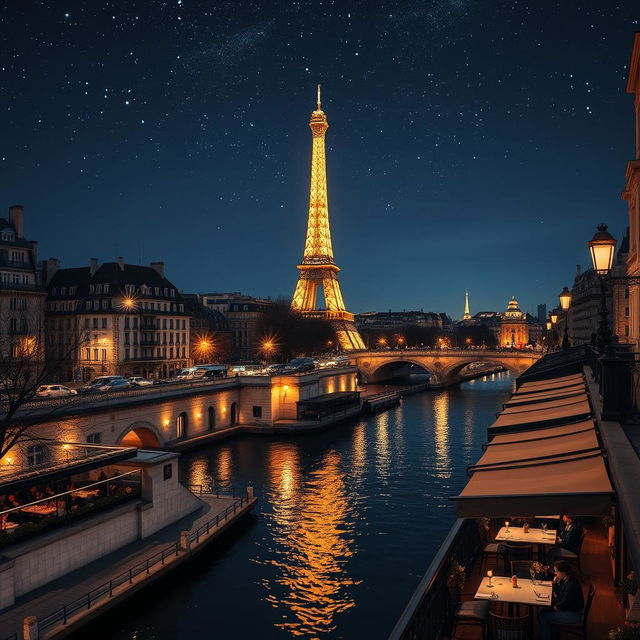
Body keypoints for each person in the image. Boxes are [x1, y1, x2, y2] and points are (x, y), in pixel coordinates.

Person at [538, 561, 584, 640]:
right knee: (543, 611)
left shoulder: (571, 584)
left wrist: (551, 607)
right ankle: (552, 635)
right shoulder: (567, 578)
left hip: (574, 614)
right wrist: (555, 581)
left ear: (563, 572)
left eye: (556, 571)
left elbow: (563, 604)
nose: (555, 573)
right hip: (570, 610)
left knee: (543, 616)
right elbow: (558, 594)